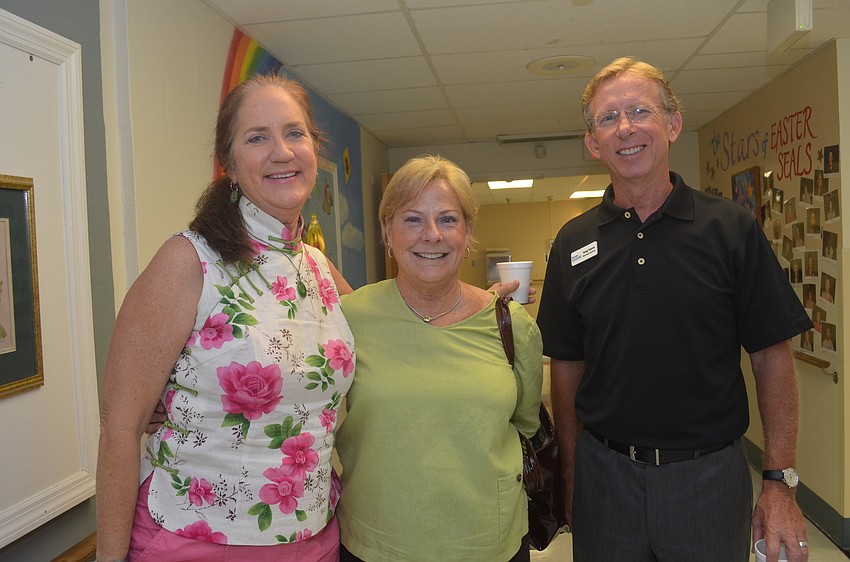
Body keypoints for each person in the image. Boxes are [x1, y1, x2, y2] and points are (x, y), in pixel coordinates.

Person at [536, 57, 813, 562]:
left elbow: (772, 355)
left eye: (640, 110)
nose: (625, 128)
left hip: (708, 481)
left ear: (673, 124)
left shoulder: (729, 230)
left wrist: (779, 482)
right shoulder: (571, 243)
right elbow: (566, 365)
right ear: (592, 143)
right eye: (607, 118)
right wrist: (571, 475)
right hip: (605, 478)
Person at [96, 74, 356, 562]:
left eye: (294, 133)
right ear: (229, 165)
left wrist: (473, 305)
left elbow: (395, 324)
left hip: (314, 538)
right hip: (193, 540)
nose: (281, 151)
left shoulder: (318, 267)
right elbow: (119, 428)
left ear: (314, 152)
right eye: (257, 137)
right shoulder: (188, 261)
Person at [335, 155, 544, 561]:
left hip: (490, 543)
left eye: (448, 219)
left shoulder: (512, 325)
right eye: (412, 219)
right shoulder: (349, 318)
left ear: (467, 235)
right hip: (377, 544)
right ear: (387, 232)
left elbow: (526, 423)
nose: (432, 235)